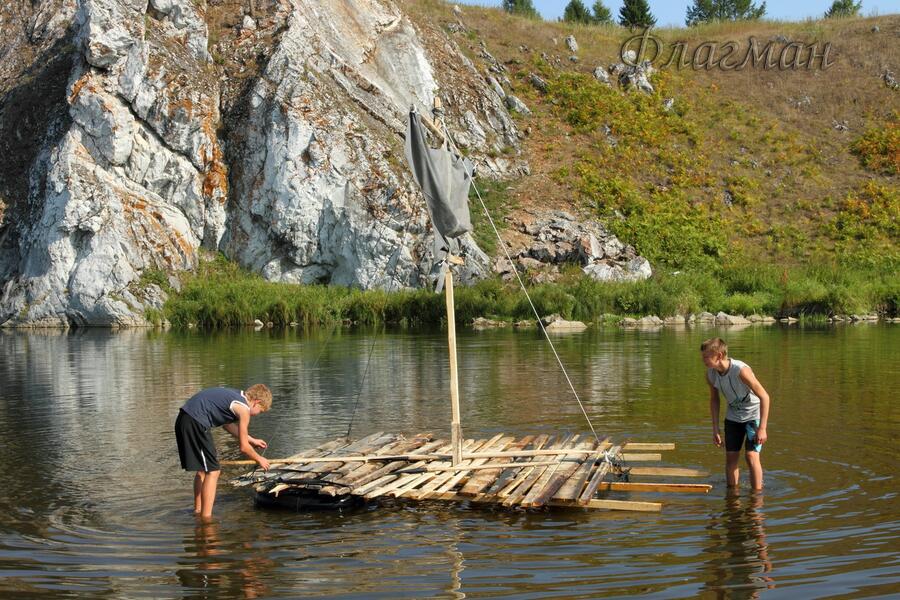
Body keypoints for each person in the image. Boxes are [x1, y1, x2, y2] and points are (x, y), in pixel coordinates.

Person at [175, 384, 272, 517]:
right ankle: (206, 518)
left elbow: (226, 424)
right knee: (214, 471)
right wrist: (259, 458)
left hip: (184, 418)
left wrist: (251, 439)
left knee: (203, 469)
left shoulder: (235, 395)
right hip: (196, 422)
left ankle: (198, 510)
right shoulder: (244, 409)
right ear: (257, 402)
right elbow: (243, 447)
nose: (258, 414)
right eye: (261, 411)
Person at [701, 338, 771, 490]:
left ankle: (757, 498)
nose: (703, 360)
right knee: (731, 457)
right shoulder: (711, 375)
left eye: (706, 356)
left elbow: (765, 396)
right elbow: (714, 400)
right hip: (733, 417)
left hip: (753, 415)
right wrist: (715, 429)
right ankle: (732, 496)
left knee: (751, 456)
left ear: (719, 356)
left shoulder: (740, 370)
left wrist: (763, 428)